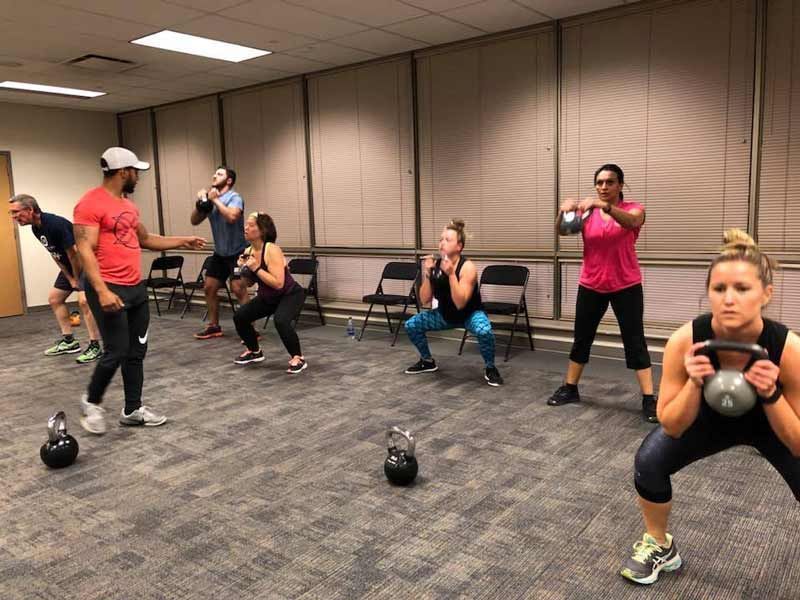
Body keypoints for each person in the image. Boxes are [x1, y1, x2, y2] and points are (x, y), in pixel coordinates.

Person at [620, 229, 800, 585]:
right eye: (719, 289)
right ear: (709, 293)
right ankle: (659, 545)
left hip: (770, 423)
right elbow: (671, 425)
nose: (729, 299)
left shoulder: (789, 349)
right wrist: (694, 383)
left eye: (742, 289)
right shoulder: (686, 341)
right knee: (650, 461)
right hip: (708, 419)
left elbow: (797, 442)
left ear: (766, 294)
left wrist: (771, 394)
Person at [74, 147, 205, 434]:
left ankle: (133, 409)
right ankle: (91, 402)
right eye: (136, 172)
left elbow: (145, 238)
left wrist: (183, 240)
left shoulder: (128, 206)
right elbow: (84, 249)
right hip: (108, 287)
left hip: (136, 289)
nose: (138, 177)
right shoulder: (89, 204)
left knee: (136, 352)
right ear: (123, 172)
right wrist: (101, 290)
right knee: (116, 351)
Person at [548, 164, 657, 422]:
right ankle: (570, 388)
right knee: (582, 338)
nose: (603, 187)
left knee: (635, 341)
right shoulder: (587, 215)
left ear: (620, 185)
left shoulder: (633, 209)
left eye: (609, 182)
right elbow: (562, 231)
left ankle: (649, 399)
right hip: (591, 284)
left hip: (626, 285)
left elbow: (632, 222)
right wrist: (563, 212)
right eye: (599, 183)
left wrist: (603, 205)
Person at [403, 219, 503, 387]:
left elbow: (460, 303)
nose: (442, 243)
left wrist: (450, 275)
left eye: (447, 240)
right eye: (441, 239)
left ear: (459, 246)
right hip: (444, 315)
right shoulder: (435, 265)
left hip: (469, 315)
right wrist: (428, 274)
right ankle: (427, 361)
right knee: (411, 324)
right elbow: (424, 299)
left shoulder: (467, 267)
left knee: (484, 331)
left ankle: (490, 367)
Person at [8, 194, 102, 363]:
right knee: (54, 298)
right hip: (70, 265)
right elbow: (54, 254)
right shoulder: (36, 228)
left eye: (16, 212)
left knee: (84, 301)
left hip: (85, 262)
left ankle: (95, 346)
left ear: (30, 210)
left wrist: (76, 279)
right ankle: (69, 342)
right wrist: (69, 277)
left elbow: (74, 254)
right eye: (12, 213)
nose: (14, 217)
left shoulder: (55, 224)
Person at [232, 212, 306, 374]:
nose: (246, 228)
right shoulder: (248, 250)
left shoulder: (271, 249)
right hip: (268, 297)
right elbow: (249, 283)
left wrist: (255, 267)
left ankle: (298, 357)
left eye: (251, 225)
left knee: (281, 321)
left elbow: (278, 283)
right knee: (240, 317)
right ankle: (254, 351)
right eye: (246, 225)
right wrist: (243, 270)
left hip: (289, 294)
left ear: (262, 230)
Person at [190, 165, 249, 339]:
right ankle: (214, 326)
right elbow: (194, 220)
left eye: (220, 174)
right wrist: (201, 204)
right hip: (220, 253)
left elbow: (232, 217)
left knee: (238, 289)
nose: (215, 175)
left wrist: (215, 200)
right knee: (209, 287)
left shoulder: (235, 197)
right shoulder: (210, 199)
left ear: (229, 180)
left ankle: (250, 329)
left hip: (238, 252)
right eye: (214, 173)